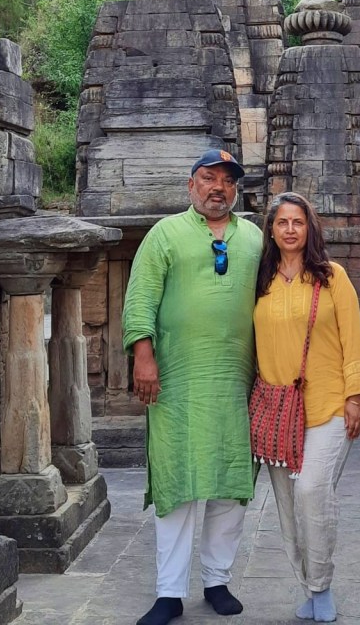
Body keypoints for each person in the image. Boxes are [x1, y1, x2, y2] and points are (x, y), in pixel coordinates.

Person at [122, 149, 263, 625]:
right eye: (208, 178)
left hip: (237, 380)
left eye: (226, 180)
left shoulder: (254, 239)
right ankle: (168, 592)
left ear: (236, 190)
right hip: (176, 381)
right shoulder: (165, 234)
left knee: (229, 481)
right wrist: (144, 357)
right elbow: (140, 296)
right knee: (178, 480)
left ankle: (217, 580)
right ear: (192, 185)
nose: (217, 187)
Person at [253, 192, 360, 624]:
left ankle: (321, 585)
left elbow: (353, 340)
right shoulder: (260, 282)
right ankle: (308, 584)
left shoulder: (332, 277)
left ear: (309, 227)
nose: (289, 230)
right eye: (281, 222)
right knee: (286, 506)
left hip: (329, 405)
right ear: (271, 229)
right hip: (276, 409)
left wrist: (356, 396)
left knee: (311, 492)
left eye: (297, 222)